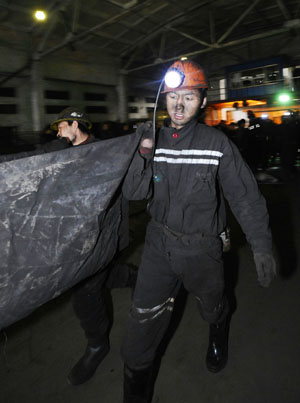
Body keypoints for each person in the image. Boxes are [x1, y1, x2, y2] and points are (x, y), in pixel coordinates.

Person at [121, 60, 276, 402]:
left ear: (203, 102)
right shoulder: (153, 140)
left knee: (212, 304)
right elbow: (133, 194)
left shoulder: (217, 144)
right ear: (164, 99)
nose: (179, 105)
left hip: (203, 249)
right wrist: (143, 154)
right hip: (158, 244)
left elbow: (245, 197)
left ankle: (218, 328)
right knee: (140, 329)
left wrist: (261, 244)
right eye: (173, 96)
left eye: (189, 97)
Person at [50, 107, 137, 385]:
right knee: (97, 279)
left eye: (61, 126)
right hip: (74, 235)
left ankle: (97, 345)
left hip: (101, 236)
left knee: (84, 289)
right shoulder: (62, 153)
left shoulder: (104, 152)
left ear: (75, 124)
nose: (58, 131)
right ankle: (135, 277)